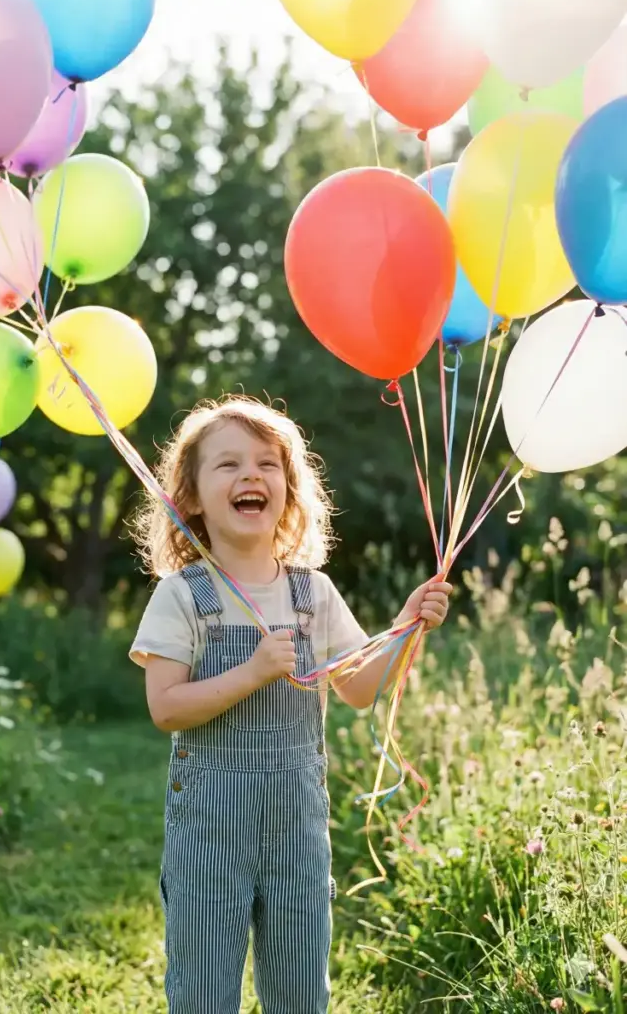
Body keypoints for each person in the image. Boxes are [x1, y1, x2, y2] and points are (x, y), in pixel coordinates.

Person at [130, 396, 452, 1014]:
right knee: (201, 986)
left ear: (289, 488)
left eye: (267, 464)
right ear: (191, 496)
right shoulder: (183, 596)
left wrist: (406, 627)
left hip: (296, 828)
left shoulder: (314, 592)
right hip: (209, 827)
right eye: (227, 465)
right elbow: (166, 707)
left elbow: (357, 688)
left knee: (301, 988)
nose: (251, 475)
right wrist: (253, 672)